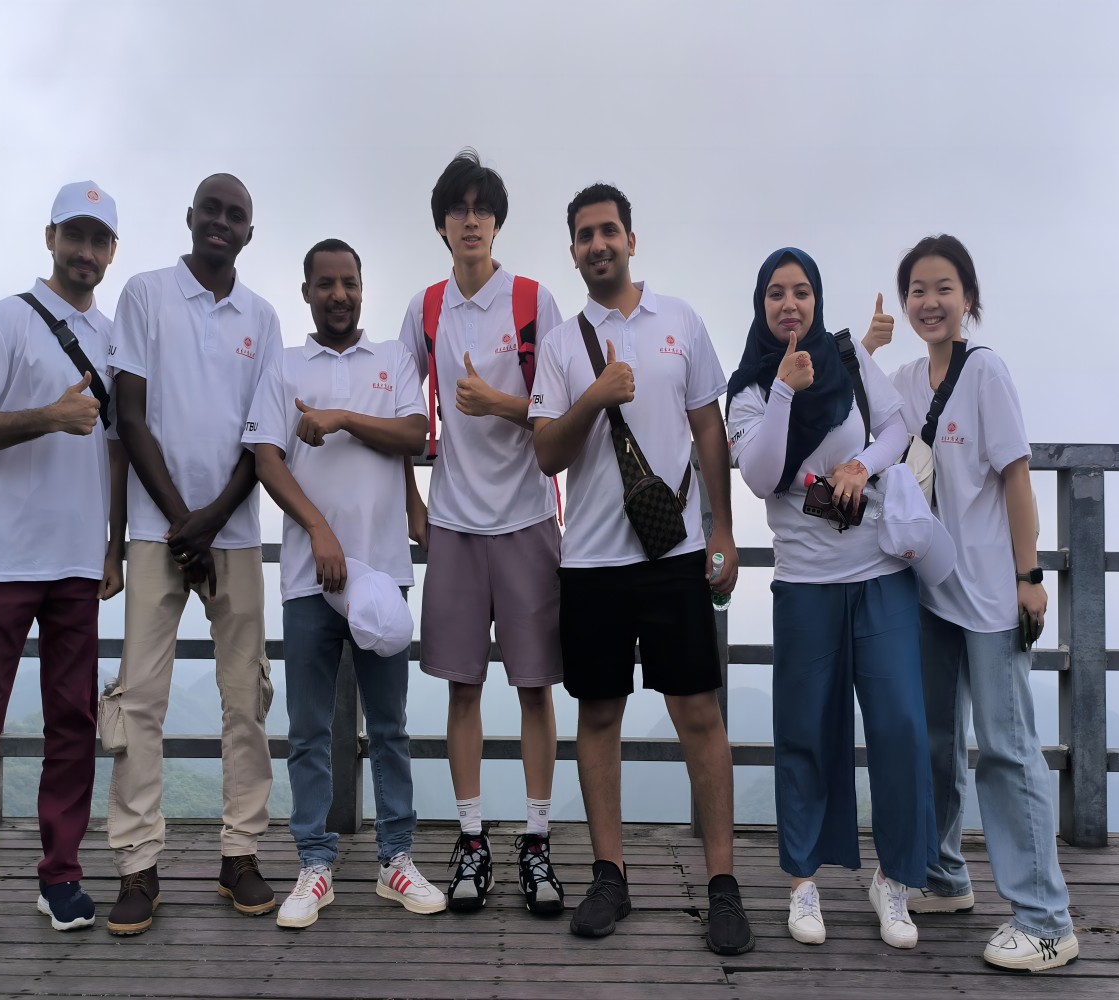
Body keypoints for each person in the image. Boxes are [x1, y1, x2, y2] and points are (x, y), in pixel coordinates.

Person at [529, 183, 751, 955]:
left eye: (609, 231)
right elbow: (546, 452)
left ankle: (722, 884)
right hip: (590, 558)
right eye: (585, 235)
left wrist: (723, 531)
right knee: (598, 715)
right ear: (572, 251)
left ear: (631, 238)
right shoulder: (563, 345)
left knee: (699, 715)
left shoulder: (679, 321)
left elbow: (708, 431)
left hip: (674, 553)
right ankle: (609, 875)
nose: (598, 244)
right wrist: (593, 397)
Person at [870, 233, 1078, 971]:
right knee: (932, 741)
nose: (930, 302)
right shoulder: (903, 380)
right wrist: (865, 344)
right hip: (931, 595)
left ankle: (1045, 919)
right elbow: (856, 416)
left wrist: (1030, 576)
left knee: (1007, 750)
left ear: (968, 299)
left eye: (944, 288)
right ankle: (941, 875)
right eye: (917, 290)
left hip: (991, 597)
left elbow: (1017, 479)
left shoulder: (986, 373)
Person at [0, 181, 126, 953]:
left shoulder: (113, 338)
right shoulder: (7, 319)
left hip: (76, 559)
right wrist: (49, 416)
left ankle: (60, 874)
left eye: (99, 240)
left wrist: (112, 544)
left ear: (112, 251)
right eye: (75, 236)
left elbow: (115, 448)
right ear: (50, 237)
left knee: (73, 723)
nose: (85, 252)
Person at [725, 247, 940, 950]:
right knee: (806, 732)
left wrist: (860, 464)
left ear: (817, 300)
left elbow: (897, 428)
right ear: (761, 305)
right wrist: (785, 390)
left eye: (802, 292)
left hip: (880, 573)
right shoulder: (749, 389)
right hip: (806, 584)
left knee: (901, 726)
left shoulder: (849, 360)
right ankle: (803, 882)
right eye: (776, 293)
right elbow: (760, 476)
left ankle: (895, 881)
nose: (790, 304)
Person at [245, 238, 447, 926]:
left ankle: (396, 859)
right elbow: (266, 458)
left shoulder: (392, 358)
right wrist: (319, 530)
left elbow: (415, 435)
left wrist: (342, 419)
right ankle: (315, 863)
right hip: (310, 577)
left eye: (350, 283)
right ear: (306, 291)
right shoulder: (283, 364)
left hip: (383, 572)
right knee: (308, 728)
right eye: (326, 284)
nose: (339, 295)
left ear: (363, 288)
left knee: (389, 725)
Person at [104, 174, 283, 935]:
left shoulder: (262, 317)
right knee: (140, 697)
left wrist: (209, 523)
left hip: (233, 534)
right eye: (211, 209)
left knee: (245, 699)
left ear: (249, 232)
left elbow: (262, 437)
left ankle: (239, 854)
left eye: (235, 215)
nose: (221, 222)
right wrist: (183, 524)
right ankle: (137, 864)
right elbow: (129, 414)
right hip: (157, 532)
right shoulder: (146, 295)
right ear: (189, 216)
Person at [398, 151, 567, 914]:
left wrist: (497, 403)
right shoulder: (425, 309)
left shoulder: (533, 300)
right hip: (455, 522)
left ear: (498, 222)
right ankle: (471, 840)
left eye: (483, 208)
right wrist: (413, 501)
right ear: (442, 225)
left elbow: (562, 411)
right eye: (458, 209)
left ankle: (537, 841)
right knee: (461, 686)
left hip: (529, 516)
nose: (471, 220)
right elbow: (402, 412)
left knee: (535, 687)